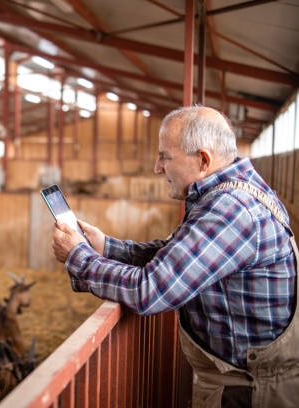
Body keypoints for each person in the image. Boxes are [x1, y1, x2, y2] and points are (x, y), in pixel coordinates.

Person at [52, 106, 298, 408]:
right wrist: (106, 247)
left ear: (203, 160)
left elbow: (150, 290)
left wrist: (78, 257)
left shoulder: (230, 210)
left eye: (165, 157)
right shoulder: (234, 192)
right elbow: (177, 256)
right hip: (241, 379)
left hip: (248, 392)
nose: (157, 167)